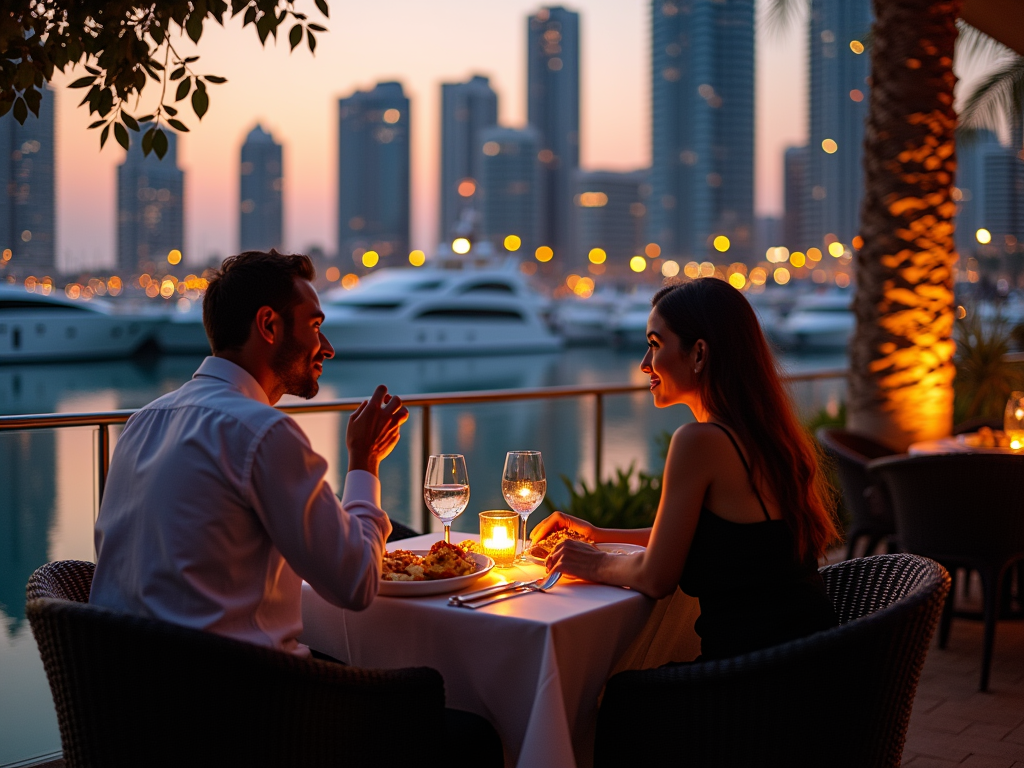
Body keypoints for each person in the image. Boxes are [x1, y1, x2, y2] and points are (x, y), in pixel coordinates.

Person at [90, 250, 408, 656]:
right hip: (248, 705)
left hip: (125, 698)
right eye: (314, 326)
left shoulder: (142, 423)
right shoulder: (262, 432)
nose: (327, 348)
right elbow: (357, 583)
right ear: (269, 325)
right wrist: (365, 460)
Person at [532, 278, 840, 660]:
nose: (645, 364)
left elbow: (655, 577)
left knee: (614, 701)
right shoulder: (763, 434)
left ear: (698, 354)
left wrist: (592, 561)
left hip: (753, 681)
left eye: (655, 345)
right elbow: (719, 539)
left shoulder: (700, 441)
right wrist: (598, 535)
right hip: (808, 660)